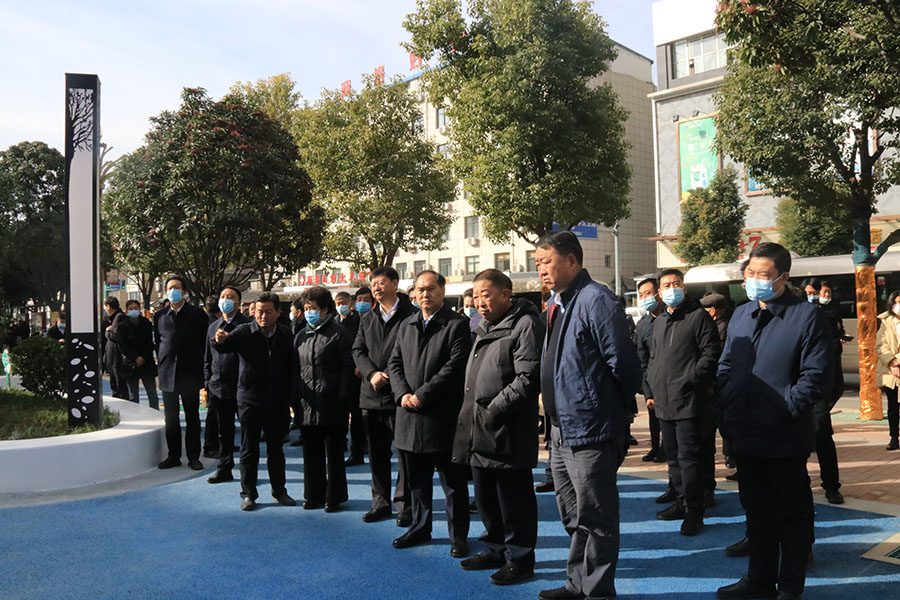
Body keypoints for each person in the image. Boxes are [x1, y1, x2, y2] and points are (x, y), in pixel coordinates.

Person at [716, 243, 832, 600]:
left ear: (783, 277)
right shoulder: (742, 313)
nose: (754, 281)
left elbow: (816, 376)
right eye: (749, 273)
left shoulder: (806, 316)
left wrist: (784, 407)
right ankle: (759, 581)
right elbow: (727, 365)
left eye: (763, 275)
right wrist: (730, 406)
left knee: (792, 516)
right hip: (746, 433)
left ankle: (790, 587)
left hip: (784, 436)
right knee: (757, 513)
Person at [535, 231, 642, 600]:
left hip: (591, 430)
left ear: (572, 261)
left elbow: (624, 364)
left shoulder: (596, 299)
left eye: (546, 262)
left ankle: (597, 591)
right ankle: (576, 583)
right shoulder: (557, 304)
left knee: (596, 517)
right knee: (573, 515)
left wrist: (614, 411)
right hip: (561, 431)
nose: (541, 271)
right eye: (537, 264)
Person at [451, 269, 543, 586]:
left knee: (513, 500)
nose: (480, 302)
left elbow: (528, 378)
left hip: (506, 429)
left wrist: (493, 410)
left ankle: (520, 559)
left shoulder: (525, 324)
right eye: (476, 296)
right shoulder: (483, 326)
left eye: (486, 295)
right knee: (486, 496)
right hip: (478, 430)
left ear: (506, 293)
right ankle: (493, 548)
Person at [388, 270, 472, 556]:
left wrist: (421, 395)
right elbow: (394, 363)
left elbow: (454, 367)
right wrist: (402, 395)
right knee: (417, 482)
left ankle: (458, 535)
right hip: (409, 418)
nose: (425, 294)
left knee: (453, 484)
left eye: (431, 289)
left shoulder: (457, 325)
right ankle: (420, 527)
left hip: (442, 419)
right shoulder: (407, 324)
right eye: (420, 290)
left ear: (442, 290)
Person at [648, 269, 720, 536]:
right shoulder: (659, 321)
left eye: (676, 283)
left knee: (690, 458)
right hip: (664, 401)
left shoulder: (698, 316)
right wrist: (653, 384)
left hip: (690, 400)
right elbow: (653, 357)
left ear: (684, 288)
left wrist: (691, 379)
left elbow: (711, 353)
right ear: (659, 292)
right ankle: (680, 501)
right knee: (674, 458)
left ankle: (694, 511)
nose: (671, 288)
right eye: (666, 285)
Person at [213, 292, 297, 511]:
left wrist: (291, 398)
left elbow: (292, 368)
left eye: (268, 311)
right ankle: (248, 493)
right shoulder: (244, 332)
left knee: (276, 450)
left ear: (278, 312)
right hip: (249, 400)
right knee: (249, 450)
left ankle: (279, 491)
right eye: (259, 311)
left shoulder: (287, 335)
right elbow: (224, 346)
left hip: (277, 402)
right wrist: (219, 339)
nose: (263, 316)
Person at [352, 267, 414, 525]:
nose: (376, 288)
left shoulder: (411, 315)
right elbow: (358, 350)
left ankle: (405, 505)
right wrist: (371, 374)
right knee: (377, 456)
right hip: (372, 395)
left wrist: (389, 374)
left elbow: (412, 352)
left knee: (405, 455)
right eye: (373, 284)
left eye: (381, 283)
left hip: (400, 395)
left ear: (395, 284)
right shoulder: (367, 318)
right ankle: (380, 502)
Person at [294, 286, 354, 511]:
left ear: (325, 310)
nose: (308, 312)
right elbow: (295, 368)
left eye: (312, 308)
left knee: (334, 455)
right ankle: (313, 495)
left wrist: (342, 398)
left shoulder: (339, 333)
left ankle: (334, 496)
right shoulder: (301, 335)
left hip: (333, 403)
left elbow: (348, 368)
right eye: (306, 308)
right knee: (311, 455)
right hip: (307, 403)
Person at [154, 276, 208, 471]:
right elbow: (159, 342)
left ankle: (194, 456)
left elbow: (204, 343)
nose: (173, 291)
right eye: (169, 288)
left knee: (192, 417)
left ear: (184, 291)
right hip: (167, 373)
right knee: (171, 417)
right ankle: (173, 455)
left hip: (190, 373)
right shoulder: (159, 316)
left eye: (176, 288)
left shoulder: (196, 314)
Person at [800, 277, 844, 504]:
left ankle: (831, 486)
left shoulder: (825, 317)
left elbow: (831, 363)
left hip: (816, 393)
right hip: (794, 391)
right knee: (796, 443)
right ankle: (800, 485)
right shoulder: (793, 319)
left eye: (814, 292)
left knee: (823, 437)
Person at [204, 286, 250, 484]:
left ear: (238, 302)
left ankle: (249, 472)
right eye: (223, 297)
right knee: (224, 432)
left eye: (230, 297)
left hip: (243, 388)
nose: (225, 300)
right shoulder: (213, 326)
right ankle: (225, 467)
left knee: (249, 432)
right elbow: (207, 358)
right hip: (218, 387)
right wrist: (207, 381)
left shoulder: (247, 326)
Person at [635, 278, 667, 465]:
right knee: (653, 416)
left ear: (658, 294)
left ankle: (665, 448)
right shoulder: (643, 325)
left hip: (671, 381)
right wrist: (647, 391)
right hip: (652, 380)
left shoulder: (670, 318)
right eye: (641, 295)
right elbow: (642, 359)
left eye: (648, 293)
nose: (645, 298)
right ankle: (655, 446)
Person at [111, 300, 159, 410]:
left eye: (136, 308)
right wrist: (135, 358)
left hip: (147, 363)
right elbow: (122, 345)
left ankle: (156, 416)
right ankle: (136, 416)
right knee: (133, 397)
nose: (134, 310)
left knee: (152, 395)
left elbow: (150, 342)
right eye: (131, 308)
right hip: (130, 365)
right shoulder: (122, 326)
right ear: (127, 311)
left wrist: (143, 357)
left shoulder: (146, 324)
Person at [336, 290, 366, 467]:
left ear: (350, 304)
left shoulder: (359, 321)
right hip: (338, 375)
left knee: (356, 417)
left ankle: (358, 450)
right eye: (338, 303)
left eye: (343, 302)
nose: (341, 306)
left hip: (355, 375)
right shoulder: (333, 322)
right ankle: (342, 446)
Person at [878, 290, 900, 451]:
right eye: (895, 303)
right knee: (892, 407)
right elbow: (880, 345)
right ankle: (894, 437)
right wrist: (892, 363)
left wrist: (898, 360)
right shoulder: (886, 322)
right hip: (890, 372)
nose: (898, 306)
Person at [103, 296, 126, 399]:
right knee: (115, 387)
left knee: (119, 388)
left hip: (117, 359)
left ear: (108, 307)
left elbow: (116, 335)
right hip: (112, 359)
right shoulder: (113, 319)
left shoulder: (119, 317)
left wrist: (108, 332)